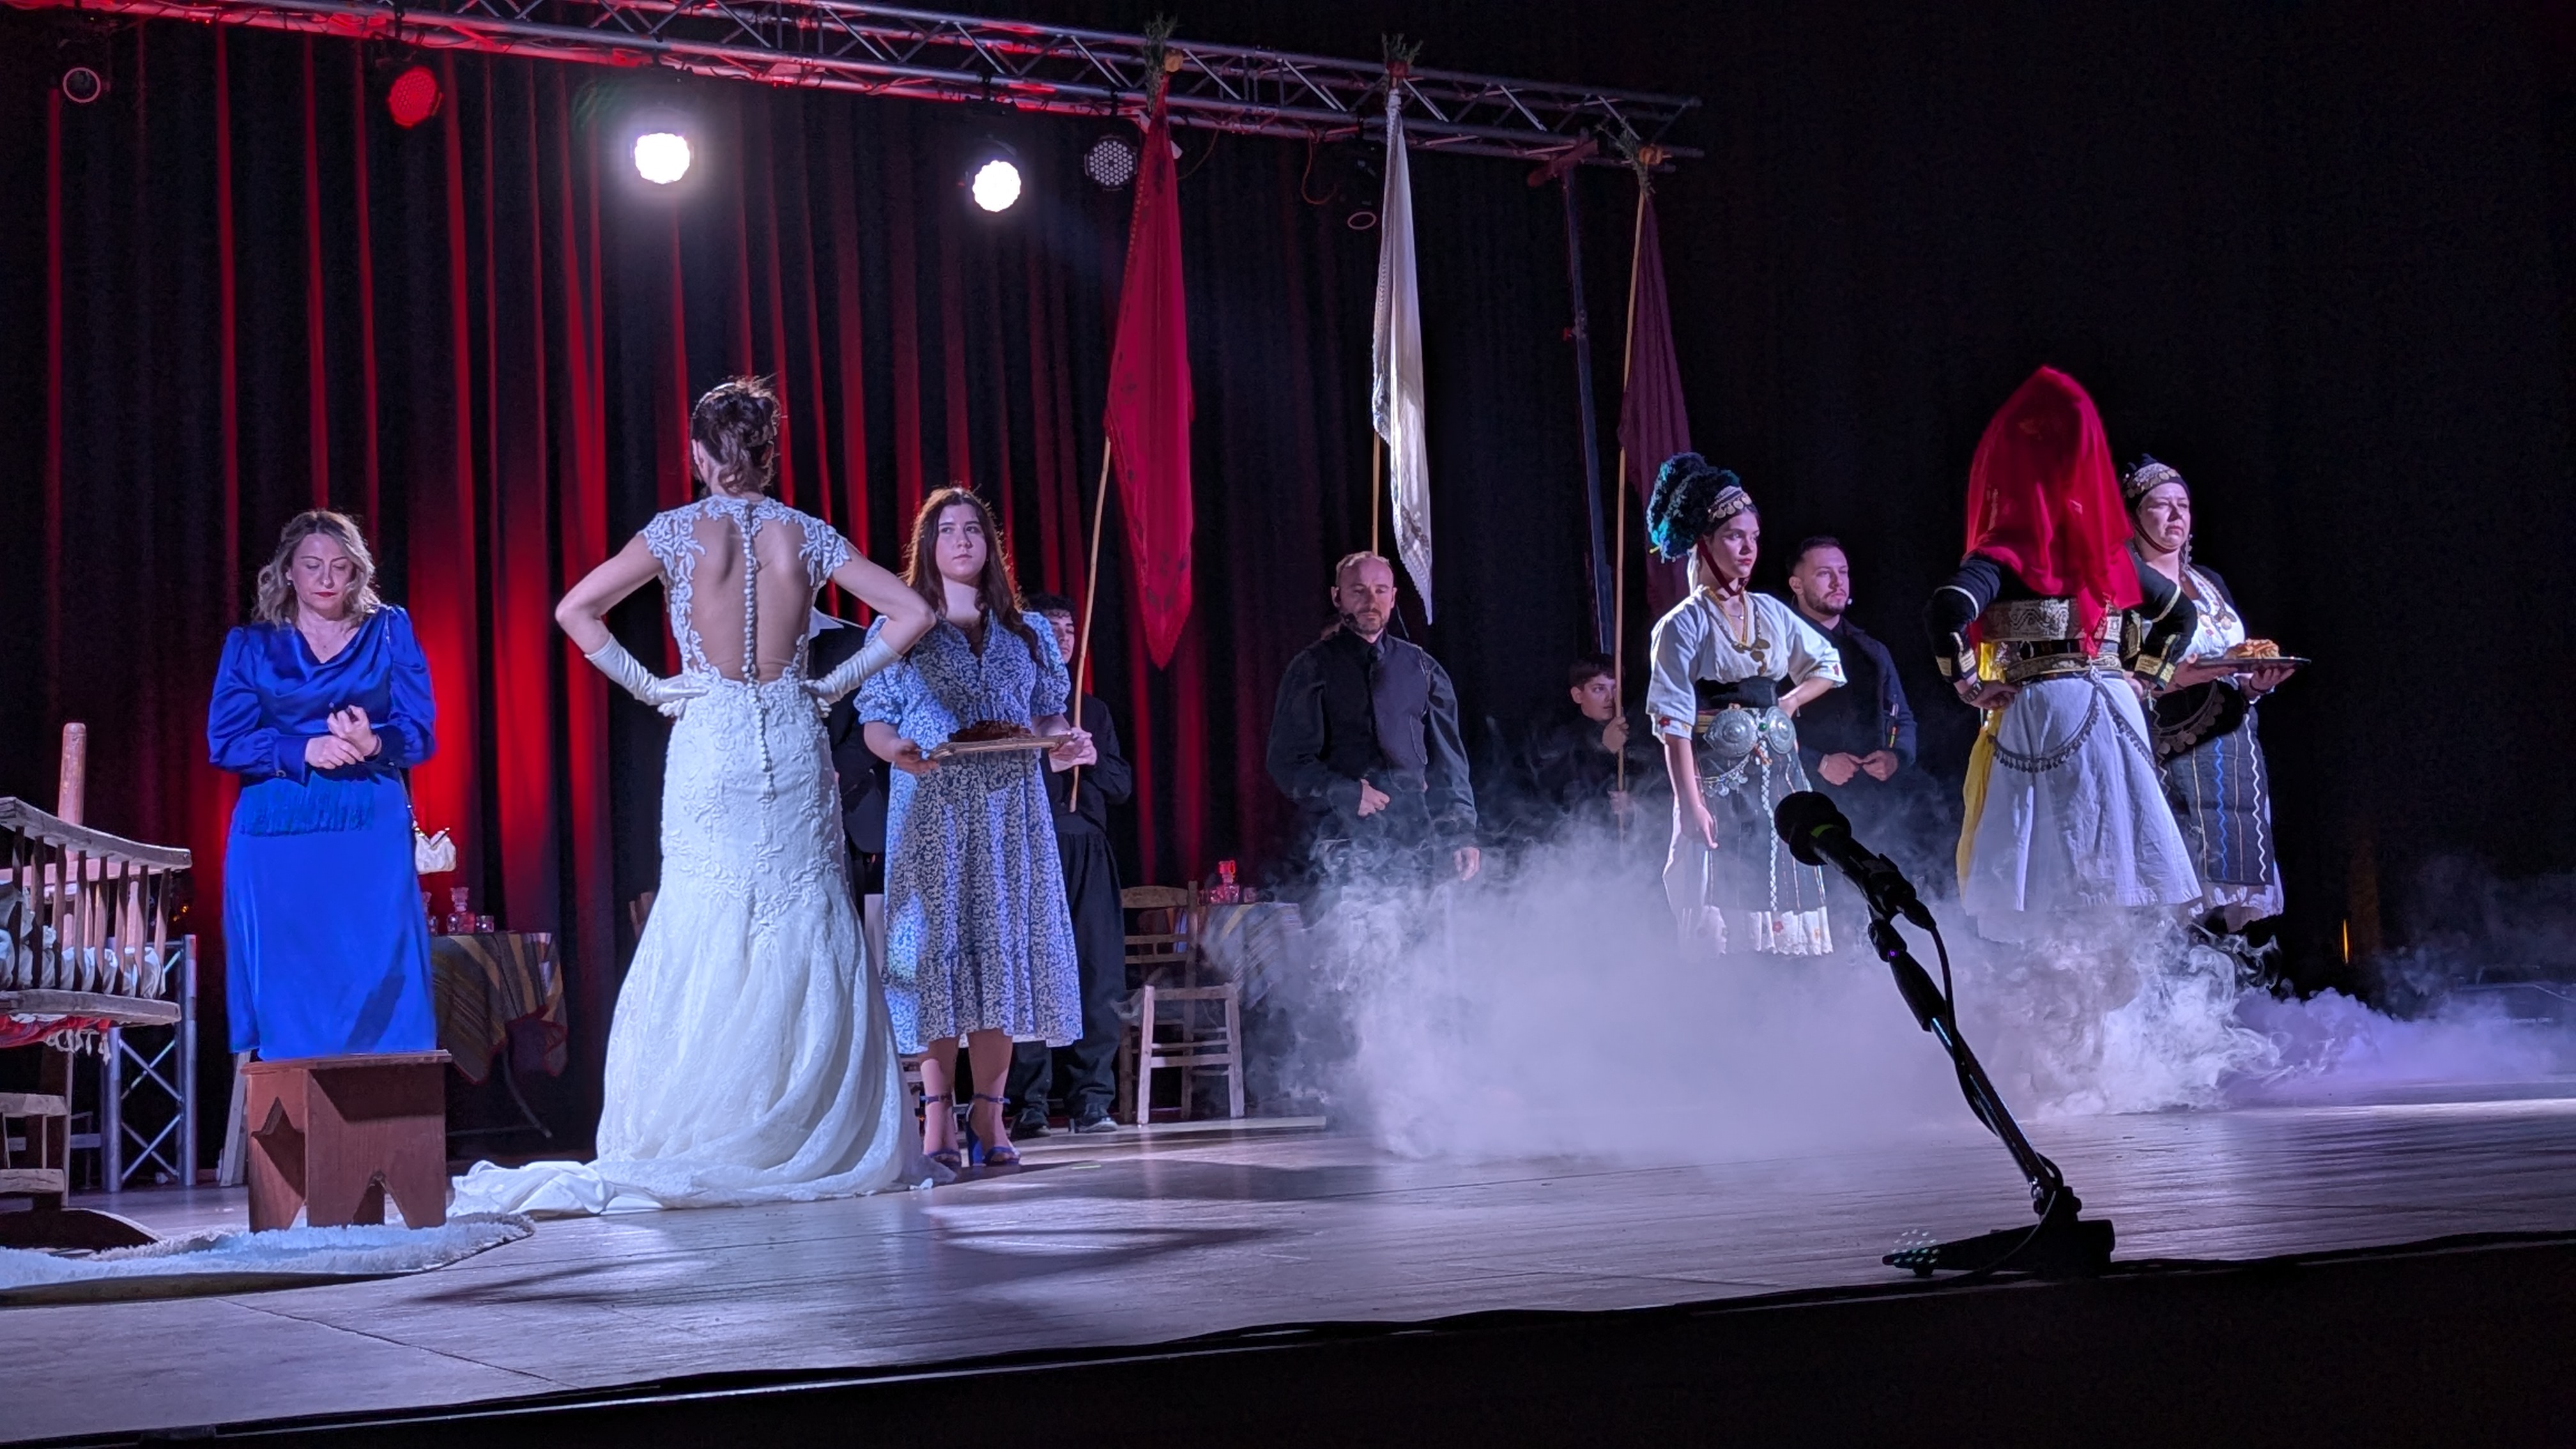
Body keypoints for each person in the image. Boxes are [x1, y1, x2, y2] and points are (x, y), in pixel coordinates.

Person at [452, 377, 938, 1215]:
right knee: (801, 918)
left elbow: (576, 610)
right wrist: (834, 686)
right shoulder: (805, 533)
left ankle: (705, 1123)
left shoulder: (676, 532)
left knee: (707, 920)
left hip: (710, 737)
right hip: (790, 735)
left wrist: (651, 688)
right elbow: (912, 613)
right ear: (770, 454)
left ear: (699, 455)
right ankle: (798, 1125)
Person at [1924, 367, 2201, 944]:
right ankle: (2115, 991)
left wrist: (1970, 685)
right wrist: (2145, 679)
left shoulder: (2004, 553)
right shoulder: (2109, 554)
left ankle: (2062, 991)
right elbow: (2181, 616)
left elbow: (1946, 610)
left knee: (2053, 878)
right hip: (2116, 712)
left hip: (2046, 712)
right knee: (2119, 868)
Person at [858, 487, 1089, 1170]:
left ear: (990, 545)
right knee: (937, 957)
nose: (961, 540)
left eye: (973, 529)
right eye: (946, 530)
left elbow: (1045, 713)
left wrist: (1065, 738)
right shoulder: (900, 627)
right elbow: (874, 719)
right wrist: (895, 751)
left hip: (1010, 809)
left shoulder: (1028, 631)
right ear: (927, 547)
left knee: (1001, 953)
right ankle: (937, 1117)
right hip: (932, 807)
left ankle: (991, 1114)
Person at [210, 510, 439, 1061]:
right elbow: (226, 742)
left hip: (366, 822)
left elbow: (420, 734)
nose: (326, 579)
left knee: (376, 966)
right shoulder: (250, 645)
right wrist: (302, 750)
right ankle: (290, 1091)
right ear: (288, 571)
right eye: (312, 565)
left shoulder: (389, 630)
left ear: (357, 571)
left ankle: (386, 1096)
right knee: (289, 974)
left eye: (340, 566)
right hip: (279, 828)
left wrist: (373, 741)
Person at [1643, 456, 1844, 955]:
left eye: (1754, 536)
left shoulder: (1771, 612)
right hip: (1718, 779)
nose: (1749, 548)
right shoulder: (1683, 624)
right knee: (1724, 897)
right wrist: (1691, 804)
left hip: (1779, 776)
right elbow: (1673, 724)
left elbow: (1827, 664)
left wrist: (1789, 702)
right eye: (1734, 536)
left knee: (1783, 878)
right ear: (1704, 543)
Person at [2125, 456, 2297, 931]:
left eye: (2183, 505)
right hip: (2167, 745)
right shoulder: (2126, 589)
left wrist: (2255, 683)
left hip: (2232, 748)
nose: (2175, 515)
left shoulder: (2208, 581)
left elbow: (2234, 658)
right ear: (2134, 516)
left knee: (2234, 890)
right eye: (2161, 505)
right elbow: (2120, 673)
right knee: (2178, 889)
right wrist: (2182, 676)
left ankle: (2227, 967)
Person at [1002, 592, 1134, 1138]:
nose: (1061, 639)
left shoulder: (1091, 710)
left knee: (1097, 975)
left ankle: (1092, 1100)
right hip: (1031, 849)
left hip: (1087, 849)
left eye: (1069, 630)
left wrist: (1091, 757)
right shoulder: (1008, 705)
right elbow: (995, 781)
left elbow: (1122, 786)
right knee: (1031, 974)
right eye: (1048, 630)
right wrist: (1047, 761)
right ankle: (1030, 1103)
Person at [1266, 552, 1481, 885]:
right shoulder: (1311, 668)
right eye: (1358, 591)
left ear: (1393, 598)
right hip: (1340, 844)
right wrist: (1344, 792)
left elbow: (1449, 763)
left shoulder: (1423, 668)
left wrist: (1461, 832)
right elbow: (1286, 762)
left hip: (1417, 845)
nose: (1371, 601)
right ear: (1337, 597)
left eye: (1381, 590)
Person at [1782, 537, 1946, 891]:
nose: (1838, 582)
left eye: (1842, 572)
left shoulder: (1870, 650)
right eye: (1824, 574)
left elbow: (1904, 719)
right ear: (1797, 584)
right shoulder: (1776, 649)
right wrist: (1819, 762)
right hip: (1804, 804)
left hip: (1874, 808)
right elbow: (1761, 728)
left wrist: (1896, 757)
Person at [1521, 655, 1663, 836]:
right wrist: (1606, 751)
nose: (1610, 698)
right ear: (1578, 695)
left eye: (1615, 689)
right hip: (1576, 837)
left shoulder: (1636, 735)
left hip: (1629, 840)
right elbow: (1561, 790)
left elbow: (1657, 786)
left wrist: (1634, 805)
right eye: (1599, 689)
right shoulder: (1560, 737)